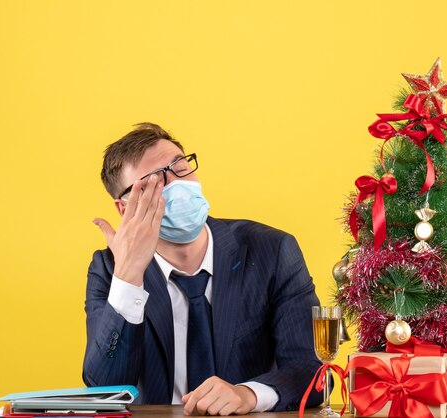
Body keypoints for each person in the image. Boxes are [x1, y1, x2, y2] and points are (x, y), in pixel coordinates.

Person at [83, 123, 323, 415]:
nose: (176, 184)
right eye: (154, 181)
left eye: (180, 168)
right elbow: (104, 391)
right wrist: (129, 276)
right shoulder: (109, 270)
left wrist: (248, 395)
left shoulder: (272, 251)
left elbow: (314, 371)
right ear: (124, 209)